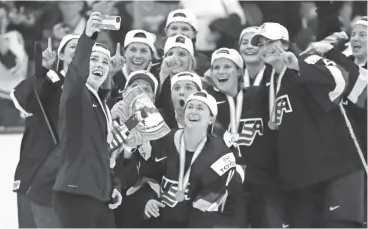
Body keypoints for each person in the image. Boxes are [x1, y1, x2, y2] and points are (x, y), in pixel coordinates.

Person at [251, 22, 365, 227]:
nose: (264, 47)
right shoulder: (271, 83)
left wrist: (298, 65)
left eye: (270, 41)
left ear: (285, 44)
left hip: (336, 172)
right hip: (303, 182)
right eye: (260, 43)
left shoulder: (308, 60)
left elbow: (342, 80)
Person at [51, 12, 122, 227]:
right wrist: (88, 36)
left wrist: (113, 184)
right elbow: (75, 74)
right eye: (94, 59)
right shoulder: (75, 94)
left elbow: (100, 151)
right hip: (75, 195)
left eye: (105, 62)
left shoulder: (102, 104)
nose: (100, 65)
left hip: (99, 196)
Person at [207, 46, 286, 227]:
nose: (221, 72)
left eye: (227, 66)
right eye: (216, 68)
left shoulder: (260, 96)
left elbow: (283, 81)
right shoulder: (207, 103)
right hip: (224, 190)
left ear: (239, 71)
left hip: (264, 186)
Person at [142, 90, 245, 228]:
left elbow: (208, 203)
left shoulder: (221, 155)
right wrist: (149, 200)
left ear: (211, 119)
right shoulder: (165, 140)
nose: (193, 111)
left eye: (200, 108)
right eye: (190, 107)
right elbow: (149, 175)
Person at [10, 34, 78, 227]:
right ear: (61, 55)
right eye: (74, 46)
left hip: (74, 179)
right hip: (35, 174)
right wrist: (43, 71)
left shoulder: (95, 90)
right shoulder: (49, 81)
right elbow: (21, 100)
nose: (81, 50)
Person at [111, 70, 160, 228]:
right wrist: (127, 150)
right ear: (124, 93)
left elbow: (153, 174)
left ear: (153, 98)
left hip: (140, 214)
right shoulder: (107, 119)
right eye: (135, 87)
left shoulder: (160, 132)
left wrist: (128, 150)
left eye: (147, 89)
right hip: (105, 206)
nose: (140, 93)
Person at [107, 29, 157, 108]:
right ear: (124, 52)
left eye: (143, 51)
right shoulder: (113, 75)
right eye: (133, 50)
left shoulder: (156, 76)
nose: (137, 56)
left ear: (151, 55)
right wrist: (109, 75)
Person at [155, 34, 197, 128]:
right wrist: (163, 74)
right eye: (170, 54)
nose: (175, 58)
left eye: (182, 54)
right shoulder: (153, 82)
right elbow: (145, 110)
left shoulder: (200, 85)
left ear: (191, 60)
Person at [164, 9, 210, 76]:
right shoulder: (156, 60)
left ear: (194, 34)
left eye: (185, 29)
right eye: (174, 28)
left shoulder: (205, 63)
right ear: (166, 32)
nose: (179, 33)